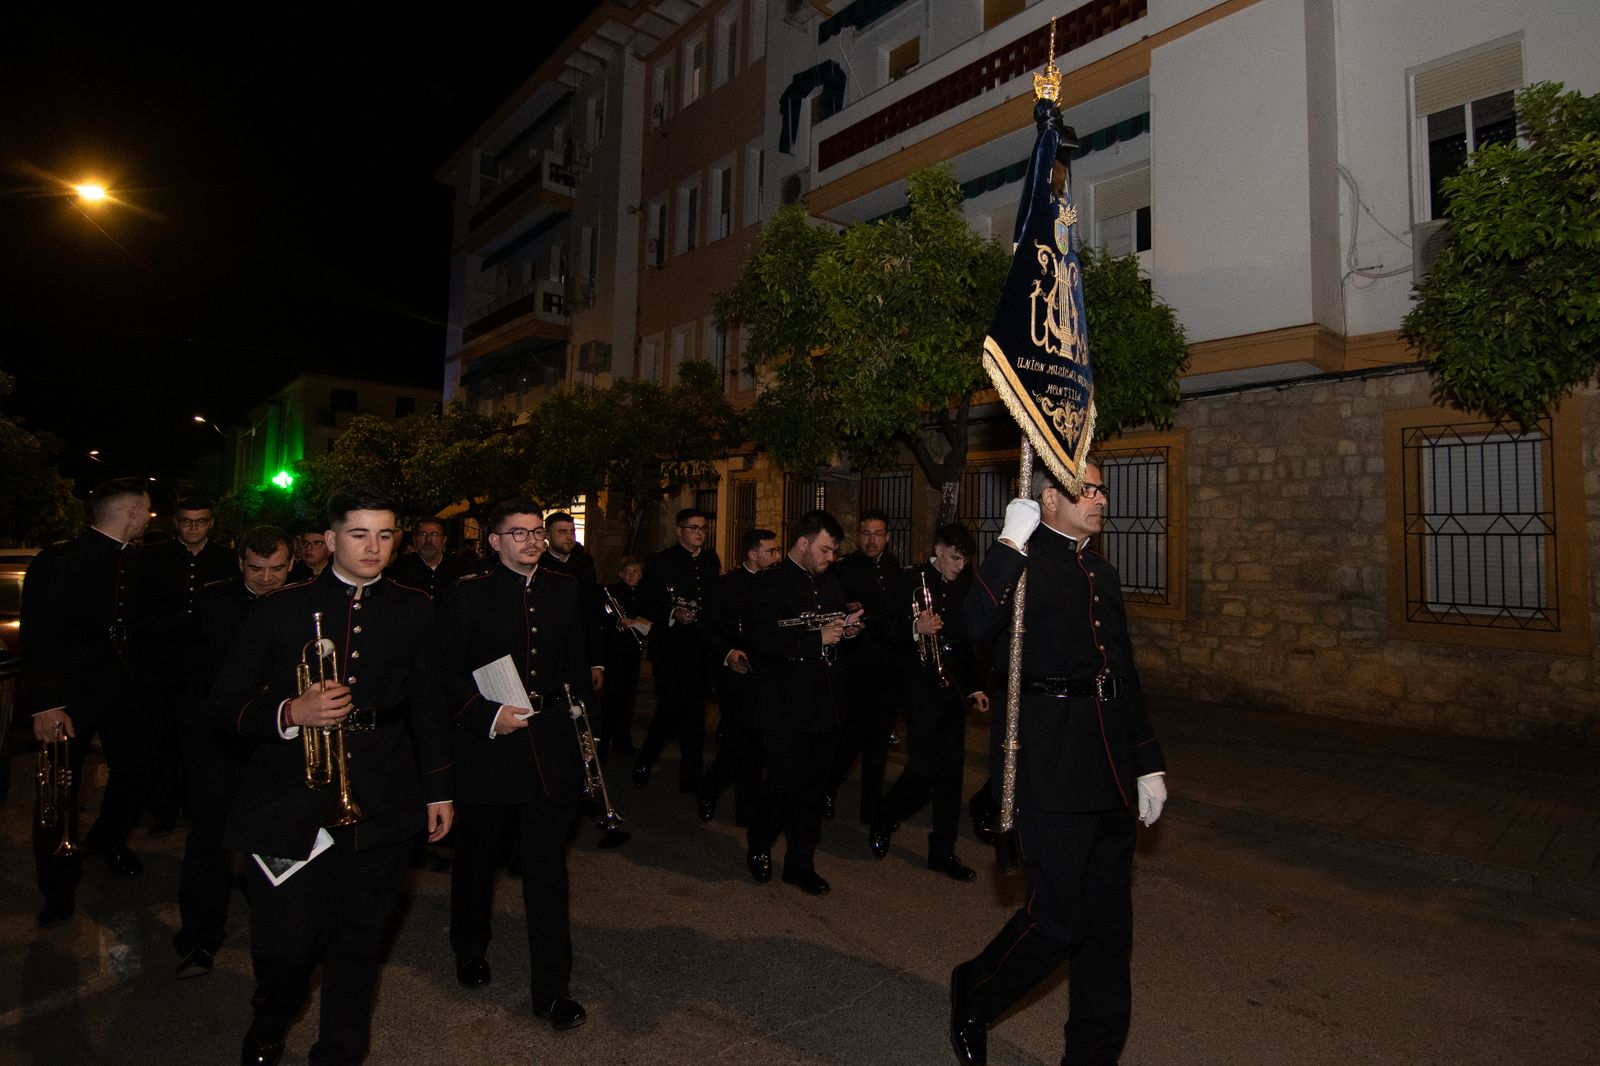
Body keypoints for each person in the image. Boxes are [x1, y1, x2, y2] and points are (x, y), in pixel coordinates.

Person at [209, 485, 453, 1066]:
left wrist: (439, 788)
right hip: (290, 794)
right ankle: (271, 1016)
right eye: (359, 534)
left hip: (384, 792)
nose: (373, 547)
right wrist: (290, 712)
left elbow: (430, 705)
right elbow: (223, 704)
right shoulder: (281, 608)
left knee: (360, 939)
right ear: (329, 538)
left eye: (385, 535)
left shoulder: (416, 607)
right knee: (287, 945)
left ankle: (340, 1052)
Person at [949, 463, 1168, 1066]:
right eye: (1087, 489)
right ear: (1049, 499)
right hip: (1048, 763)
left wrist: (1147, 762)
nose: (1101, 499)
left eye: (1100, 489)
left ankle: (1093, 1056)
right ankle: (975, 991)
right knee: (1057, 922)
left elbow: (1122, 672)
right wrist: (1007, 543)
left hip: (1109, 766)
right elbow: (974, 625)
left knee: (1108, 930)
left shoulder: (1101, 571)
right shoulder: (1018, 561)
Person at [438, 502, 593, 1032]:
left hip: (549, 744)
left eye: (536, 532)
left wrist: (584, 735)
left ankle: (552, 992)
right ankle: (469, 946)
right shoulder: (468, 593)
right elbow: (445, 673)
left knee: (547, 871)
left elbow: (574, 665)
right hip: (489, 746)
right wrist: (486, 715)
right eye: (518, 533)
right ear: (494, 541)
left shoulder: (565, 588)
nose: (531, 541)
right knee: (477, 857)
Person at [23, 477, 154, 928]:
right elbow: (37, 635)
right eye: (146, 510)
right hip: (69, 696)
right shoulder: (59, 560)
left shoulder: (137, 561)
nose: (148, 517)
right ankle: (58, 885)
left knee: (138, 769)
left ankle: (107, 838)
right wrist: (45, 703)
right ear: (132, 511)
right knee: (57, 789)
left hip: (125, 693)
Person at [173, 525, 293, 980]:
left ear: (291, 564)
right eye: (256, 568)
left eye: (276, 568)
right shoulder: (212, 602)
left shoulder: (302, 600)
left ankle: (281, 935)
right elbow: (190, 674)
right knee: (210, 838)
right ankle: (199, 938)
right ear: (240, 563)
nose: (266, 578)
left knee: (278, 840)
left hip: (280, 738)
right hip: (221, 739)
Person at [744, 511, 860, 896]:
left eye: (834, 551)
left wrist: (848, 629)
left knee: (813, 790)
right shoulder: (770, 583)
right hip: (785, 705)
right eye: (825, 549)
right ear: (804, 543)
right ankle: (760, 843)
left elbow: (833, 628)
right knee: (784, 784)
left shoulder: (831, 582)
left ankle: (800, 863)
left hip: (826, 704)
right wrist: (816, 640)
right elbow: (761, 639)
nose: (830, 557)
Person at [869, 522, 985, 882]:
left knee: (951, 773)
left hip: (951, 688)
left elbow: (966, 644)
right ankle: (887, 813)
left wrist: (975, 687)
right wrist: (914, 628)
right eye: (954, 558)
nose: (959, 566)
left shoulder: (964, 587)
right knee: (924, 768)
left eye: (964, 560)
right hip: (918, 687)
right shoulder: (910, 580)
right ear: (938, 550)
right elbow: (879, 626)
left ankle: (942, 852)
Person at [141, 494, 239, 833]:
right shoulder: (154, 558)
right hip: (163, 665)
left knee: (202, 743)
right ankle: (163, 810)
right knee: (163, 741)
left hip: (207, 669)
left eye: (200, 521)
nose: (193, 528)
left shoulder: (226, 559)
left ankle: (198, 808)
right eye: (186, 521)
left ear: (211, 523)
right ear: (176, 523)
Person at [633, 508, 721, 793]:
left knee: (696, 714)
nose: (700, 533)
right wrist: (673, 614)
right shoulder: (662, 561)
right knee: (669, 710)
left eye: (703, 528)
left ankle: (691, 776)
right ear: (679, 530)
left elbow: (713, 600)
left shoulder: (710, 560)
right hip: (670, 651)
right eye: (693, 528)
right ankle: (644, 760)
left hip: (700, 650)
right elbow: (644, 602)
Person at [824, 510, 903, 825]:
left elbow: (896, 611)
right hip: (856, 667)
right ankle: (827, 788)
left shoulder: (894, 568)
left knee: (879, 742)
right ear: (859, 536)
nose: (871, 540)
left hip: (888, 668)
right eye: (866, 533)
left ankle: (870, 810)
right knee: (852, 736)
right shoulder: (844, 569)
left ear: (887, 537)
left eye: (877, 534)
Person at [697, 527, 779, 827]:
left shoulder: (778, 584)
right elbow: (707, 628)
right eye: (771, 551)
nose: (776, 556)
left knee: (757, 746)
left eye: (777, 550)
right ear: (752, 553)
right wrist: (728, 652)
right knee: (737, 744)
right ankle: (709, 790)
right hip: (735, 674)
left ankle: (747, 812)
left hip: (766, 673)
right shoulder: (727, 584)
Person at [600, 556, 650, 756]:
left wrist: (642, 624)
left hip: (632, 652)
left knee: (628, 697)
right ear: (620, 574)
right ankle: (604, 740)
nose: (631, 575)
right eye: (627, 572)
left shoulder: (645, 593)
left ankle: (623, 740)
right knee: (610, 697)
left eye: (635, 571)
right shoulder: (611, 592)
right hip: (614, 652)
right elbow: (602, 617)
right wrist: (617, 622)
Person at [386, 516, 469, 599]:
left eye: (434, 534)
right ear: (415, 538)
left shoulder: (460, 567)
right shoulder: (399, 567)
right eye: (423, 534)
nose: (428, 539)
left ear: (444, 539)